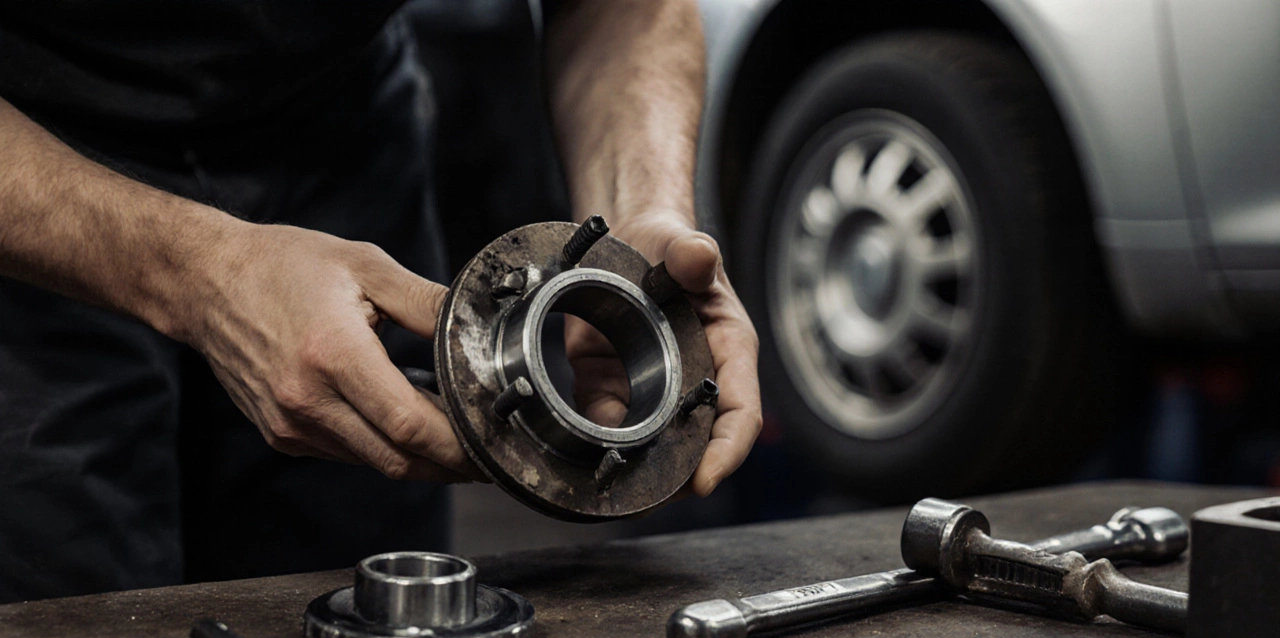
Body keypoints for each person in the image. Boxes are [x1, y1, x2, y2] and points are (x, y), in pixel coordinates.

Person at [0, 0, 761, 601]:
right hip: (36, 180)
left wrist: (641, 213)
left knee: (361, 607)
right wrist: (200, 274)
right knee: (68, 616)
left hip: (340, 143)